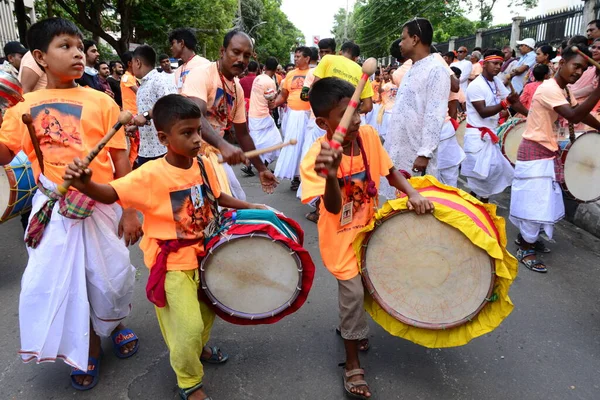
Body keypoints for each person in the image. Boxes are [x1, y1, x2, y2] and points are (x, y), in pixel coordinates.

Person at [64, 93, 266, 400]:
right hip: (172, 264)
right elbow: (109, 194)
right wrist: (85, 183)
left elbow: (217, 197)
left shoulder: (203, 165)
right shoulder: (150, 174)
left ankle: (196, 350)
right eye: (187, 133)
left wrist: (251, 205)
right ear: (163, 137)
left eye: (199, 130)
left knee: (206, 314)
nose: (198, 139)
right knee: (186, 327)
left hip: (208, 255)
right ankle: (189, 381)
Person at [0, 17, 141, 391]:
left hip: (103, 205)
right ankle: (87, 346)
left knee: (109, 278)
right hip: (54, 209)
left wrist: (129, 209)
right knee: (63, 283)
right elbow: (3, 155)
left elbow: (121, 161)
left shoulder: (102, 100)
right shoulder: (22, 106)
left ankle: (114, 324)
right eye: (65, 46)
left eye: (80, 46)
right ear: (39, 57)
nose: (78, 53)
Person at [300, 77, 433, 400]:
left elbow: (389, 171)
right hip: (341, 240)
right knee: (353, 292)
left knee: (366, 289)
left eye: (357, 110)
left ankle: (352, 328)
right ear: (322, 122)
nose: (357, 119)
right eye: (346, 115)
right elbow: (331, 207)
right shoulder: (316, 157)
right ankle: (352, 364)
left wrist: (413, 192)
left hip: (370, 230)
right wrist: (331, 175)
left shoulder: (369, 135)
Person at [510, 44, 600, 272]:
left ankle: (527, 239)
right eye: (575, 66)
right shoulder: (549, 89)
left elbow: (582, 112)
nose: (579, 72)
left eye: (583, 69)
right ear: (561, 64)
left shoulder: (564, 90)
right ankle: (525, 248)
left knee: (542, 202)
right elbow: (573, 114)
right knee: (535, 204)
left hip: (546, 152)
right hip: (534, 151)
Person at [182, 29, 278, 197]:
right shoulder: (201, 74)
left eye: (246, 56)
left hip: (214, 155)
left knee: (237, 199)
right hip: (188, 155)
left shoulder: (237, 89)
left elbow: (243, 134)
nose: (241, 60)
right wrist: (224, 145)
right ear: (222, 51)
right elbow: (196, 117)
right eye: (236, 52)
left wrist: (261, 169)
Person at [380, 18, 450, 199]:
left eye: (403, 38)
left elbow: (435, 114)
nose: (400, 43)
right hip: (398, 147)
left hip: (416, 153)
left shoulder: (436, 69)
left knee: (414, 205)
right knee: (394, 206)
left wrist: (425, 153)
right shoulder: (413, 68)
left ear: (415, 39)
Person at [462, 49, 529, 202]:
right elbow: (483, 112)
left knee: (492, 174)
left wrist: (529, 115)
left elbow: (513, 102)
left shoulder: (497, 82)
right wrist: (505, 103)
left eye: (500, 64)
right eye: (494, 63)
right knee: (482, 177)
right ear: (484, 64)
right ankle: (478, 209)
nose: (498, 67)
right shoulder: (476, 86)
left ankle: (477, 207)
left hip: (490, 135)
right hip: (477, 137)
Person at [271, 46, 312, 191]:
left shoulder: (314, 73)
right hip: (292, 115)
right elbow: (283, 95)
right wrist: (273, 103)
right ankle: (295, 177)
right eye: (295, 56)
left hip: (309, 116)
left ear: (307, 58)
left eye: (298, 56)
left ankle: (305, 177)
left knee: (306, 147)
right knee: (293, 146)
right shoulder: (290, 75)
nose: (295, 59)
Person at [130, 45, 177, 167]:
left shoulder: (158, 80)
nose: (132, 67)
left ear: (138, 62)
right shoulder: (143, 85)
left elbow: (170, 103)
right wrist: (136, 126)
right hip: (147, 149)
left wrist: (145, 115)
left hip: (161, 150)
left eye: (132, 63)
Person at [243, 56, 283, 177]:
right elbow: (271, 104)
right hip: (262, 115)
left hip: (253, 114)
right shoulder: (270, 82)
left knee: (256, 140)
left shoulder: (258, 78)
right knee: (276, 141)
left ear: (265, 67)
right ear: (276, 69)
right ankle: (263, 164)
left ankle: (249, 164)